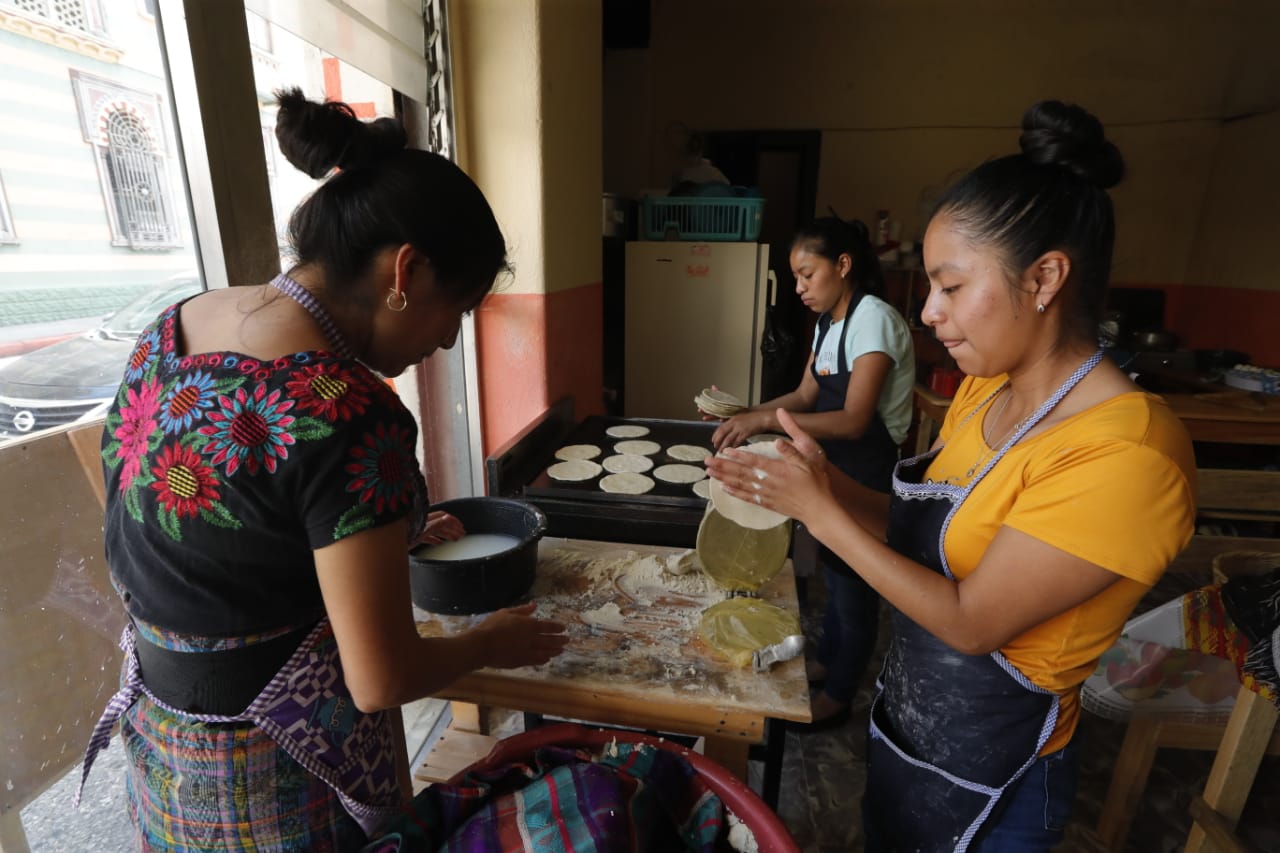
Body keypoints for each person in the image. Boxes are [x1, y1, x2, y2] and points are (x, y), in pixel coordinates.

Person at [79, 88, 568, 851]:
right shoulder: (346, 408)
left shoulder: (170, 329)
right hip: (277, 774)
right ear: (404, 269)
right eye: (459, 310)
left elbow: (228, 524)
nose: (445, 342)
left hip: (166, 752)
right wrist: (490, 643)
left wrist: (390, 534)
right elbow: (381, 678)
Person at [707, 100, 1197, 850]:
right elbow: (910, 530)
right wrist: (821, 484)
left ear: (1045, 277)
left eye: (952, 285)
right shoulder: (985, 391)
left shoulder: (1128, 453)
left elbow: (973, 622)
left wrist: (822, 515)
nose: (930, 313)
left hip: (1001, 779)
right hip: (910, 734)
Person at [704, 217, 914, 730]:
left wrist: (762, 421)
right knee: (831, 565)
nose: (798, 288)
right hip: (831, 460)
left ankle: (841, 692)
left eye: (806, 274)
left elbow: (854, 417)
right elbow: (803, 397)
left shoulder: (875, 320)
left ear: (843, 266)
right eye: (794, 277)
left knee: (854, 579)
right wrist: (748, 412)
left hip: (866, 464)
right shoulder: (827, 324)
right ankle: (829, 659)